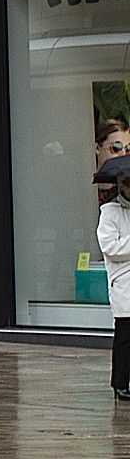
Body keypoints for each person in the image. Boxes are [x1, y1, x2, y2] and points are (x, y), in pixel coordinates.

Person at [98, 155, 130, 404]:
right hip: (124, 283)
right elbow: (111, 248)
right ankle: (120, 383)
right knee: (124, 336)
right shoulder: (109, 213)